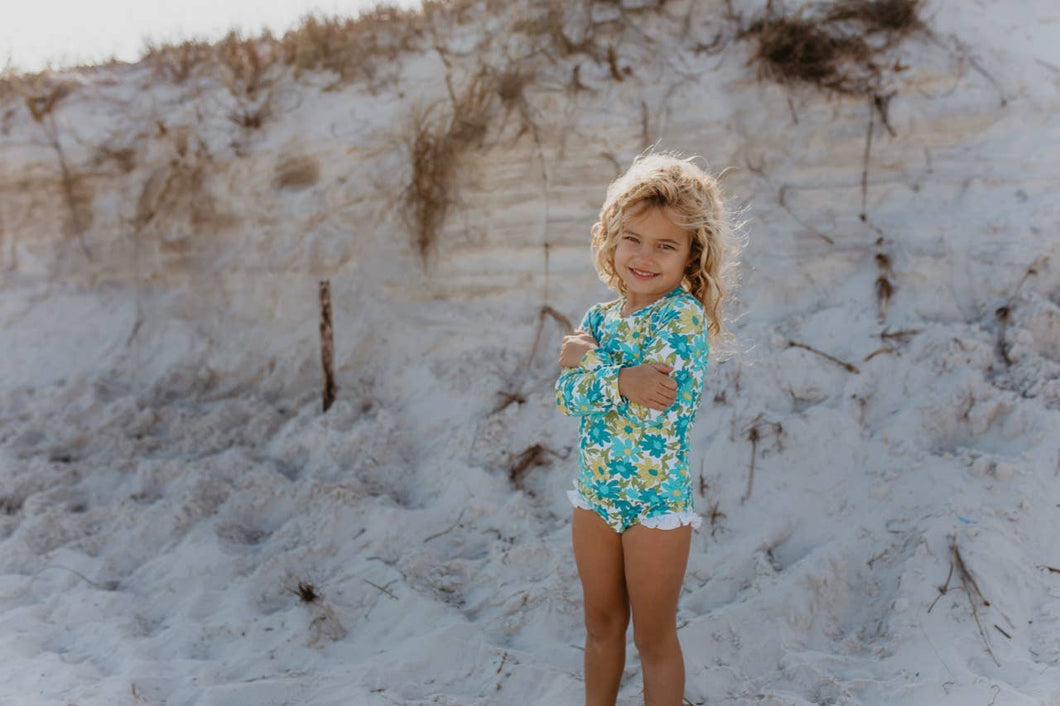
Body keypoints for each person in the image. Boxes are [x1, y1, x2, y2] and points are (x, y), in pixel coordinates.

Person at [555, 150, 742, 706]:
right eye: (633, 238)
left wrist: (589, 363)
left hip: (655, 505)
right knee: (600, 624)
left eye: (666, 245)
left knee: (653, 637)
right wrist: (617, 377)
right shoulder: (599, 319)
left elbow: (656, 402)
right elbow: (566, 398)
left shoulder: (681, 318)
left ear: (690, 256)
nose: (645, 256)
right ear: (611, 237)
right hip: (594, 495)